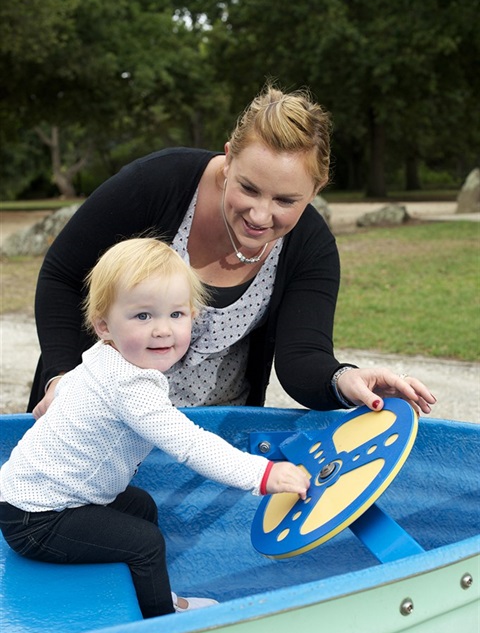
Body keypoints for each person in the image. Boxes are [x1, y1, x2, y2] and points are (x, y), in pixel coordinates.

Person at [28, 84, 436, 419]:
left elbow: (302, 358)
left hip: (213, 436)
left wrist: (345, 379)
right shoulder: (157, 184)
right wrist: (60, 377)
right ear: (228, 158)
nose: (260, 215)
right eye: (248, 188)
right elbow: (63, 276)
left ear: (317, 189)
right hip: (95, 418)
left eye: (286, 201)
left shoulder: (312, 247)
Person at [0, 239, 311, 619]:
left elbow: (75, 386)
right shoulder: (131, 387)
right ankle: (159, 623)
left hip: (34, 498)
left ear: (193, 315)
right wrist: (263, 474)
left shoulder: (104, 358)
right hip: (36, 520)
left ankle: (150, 590)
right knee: (145, 542)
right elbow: (192, 445)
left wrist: (61, 395)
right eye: (143, 316)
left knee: (140, 506)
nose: (163, 330)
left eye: (176, 315)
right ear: (103, 326)